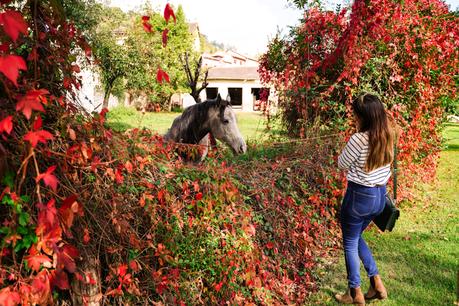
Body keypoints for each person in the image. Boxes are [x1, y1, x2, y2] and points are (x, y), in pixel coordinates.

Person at [335, 93, 396, 305]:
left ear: (363, 117)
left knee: (350, 243)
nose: (354, 118)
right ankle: (376, 282)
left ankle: (355, 293)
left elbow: (341, 163)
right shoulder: (388, 134)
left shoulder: (359, 138)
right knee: (356, 237)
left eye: (355, 115)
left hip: (359, 196)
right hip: (379, 197)